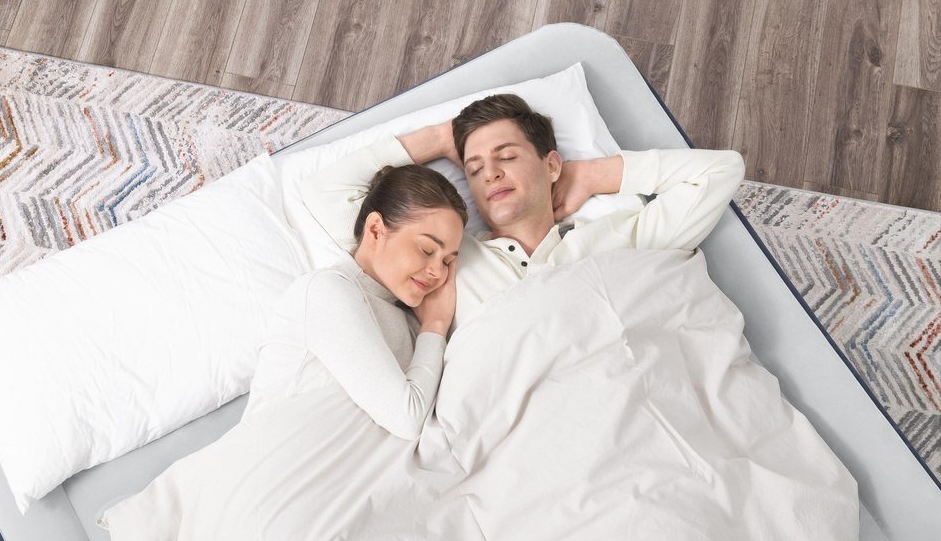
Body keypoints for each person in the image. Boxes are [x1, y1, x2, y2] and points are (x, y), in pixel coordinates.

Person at [302, 94, 746, 326]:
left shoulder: (619, 238)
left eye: (507, 157)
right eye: (474, 168)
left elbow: (721, 170)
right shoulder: (445, 265)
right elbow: (326, 192)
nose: (491, 173)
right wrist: (440, 138)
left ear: (551, 164)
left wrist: (592, 174)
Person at [242, 163, 466, 439]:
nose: (438, 272)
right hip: (272, 456)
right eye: (427, 249)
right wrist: (436, 324)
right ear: (375, 230)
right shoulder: (325, 291)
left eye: (448, 261)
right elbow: (407, 420)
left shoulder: (409, 320)